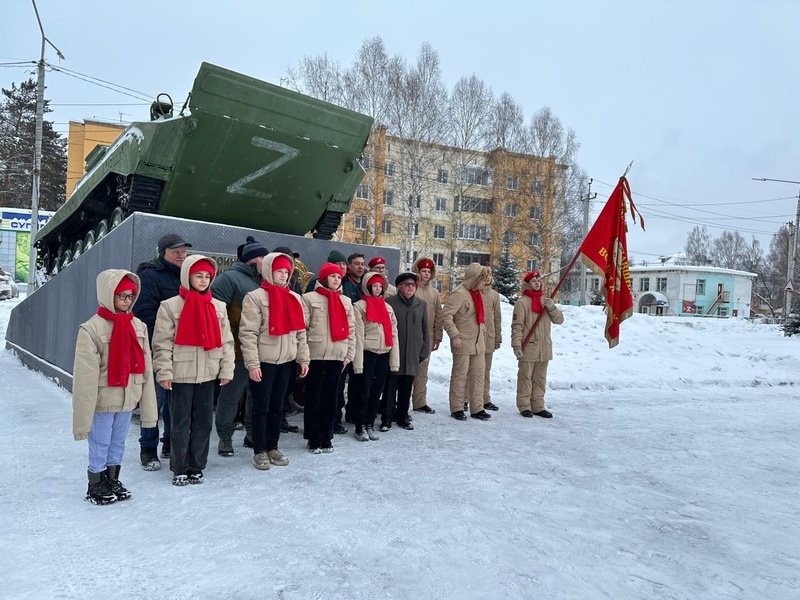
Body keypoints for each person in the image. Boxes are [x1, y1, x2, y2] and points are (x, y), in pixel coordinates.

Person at [73, 270, 158, 505]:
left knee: (118, 440)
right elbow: (85, 374)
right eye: (121, 295)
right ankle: (95, 483)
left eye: (131, 296)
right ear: (108, 294)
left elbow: (146, 367)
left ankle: (112, 479)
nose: (127, 300)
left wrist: (145, 398)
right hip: (104, 396)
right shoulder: (91, 328)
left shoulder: (138, 325)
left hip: (129, 394)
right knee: (100, 440)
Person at [152, 255, 235, 485]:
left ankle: (197, 465)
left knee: (203, 422)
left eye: (208, 276)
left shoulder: (218, 306)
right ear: (187, 275)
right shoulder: (170, 306)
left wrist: (226, 369)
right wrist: (164, 372)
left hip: (208, 373)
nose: (203, 280)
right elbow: (162, 343)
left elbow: (227, 341)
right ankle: (179, 466)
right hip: (181, 372)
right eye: (198, 275)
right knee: (180, 421)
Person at [239, 252, 310, 469]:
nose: (283, 275)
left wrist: (303, 359)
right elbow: (248, 334)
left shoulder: (294, 298)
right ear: (270, 271)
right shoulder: (255, 297)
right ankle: (259, 450)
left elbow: (300, 333)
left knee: (278, 407)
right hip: (264, 363)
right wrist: (253, 364)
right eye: (279, 270)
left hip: (286, 363)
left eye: (286, 272)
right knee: (261, 407)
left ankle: (273, 446)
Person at [134, 232, 191, 471]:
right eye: (175, 251)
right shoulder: (149, 275)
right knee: (153, 401)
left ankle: (169, 442)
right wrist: (161, 342)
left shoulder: (186, 276)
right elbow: (145, 313)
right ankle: (148, 448)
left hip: (182, 349)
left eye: (183, 251)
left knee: (174, 401)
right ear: (163, 253)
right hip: (157, 348)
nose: (181, 255)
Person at [210, 235, 269, 456]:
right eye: (264, 257)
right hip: (236, 351)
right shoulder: (229, 279)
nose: (267, 262)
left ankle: (252, 434)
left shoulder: (262, 281)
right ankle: (225, 437)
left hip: (259, 351)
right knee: (231, 396)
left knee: (256, 396)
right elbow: (217, 314)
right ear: (253, 259)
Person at [301, 262, 356, 453]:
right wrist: (303, 357)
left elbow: (351, 331)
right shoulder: (308, 298)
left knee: (330, 399)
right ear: (324, 278)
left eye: (339, 277)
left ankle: (326, 436)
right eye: (332, 276)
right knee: (313, 398)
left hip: (337, 356)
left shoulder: (346, 301)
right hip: (314, 355)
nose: (336, 279)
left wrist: (348, 355)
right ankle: (313, 437)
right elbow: (303, 329)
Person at [351, 271, 399, 441]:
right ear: (367, 286)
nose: (377, 289)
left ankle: (370, 423)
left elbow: (394, 334)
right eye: (374, 285)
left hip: (383, 353)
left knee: (376, 391)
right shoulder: (359, 306)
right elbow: (357, 335)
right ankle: (360, 426)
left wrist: (394, 360)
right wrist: (358, 362)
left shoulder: (388, 308)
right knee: (363, 390)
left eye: (380, 286)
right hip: (367, 352)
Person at [440, 262, 491, 422]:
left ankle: (477, 408)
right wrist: (455, 335)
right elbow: (446, 316)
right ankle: (457, 407)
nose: (484, 282)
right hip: (462, 342)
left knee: (478, 376)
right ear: (474, 279)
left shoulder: (478, 294)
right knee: (460, 376)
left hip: (478, 343)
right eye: (482, 279)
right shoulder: (459, 294)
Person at [511, 270, 564, 418]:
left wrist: (552, 307)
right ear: (528, 284)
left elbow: (559, 320)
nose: (537, 283)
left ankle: (538, 406)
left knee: (540, 379)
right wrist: (516, 346)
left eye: (539, 281)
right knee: (525, 378)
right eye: (534, 281)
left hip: (544, 348)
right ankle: (524, 406)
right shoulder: (522, 303)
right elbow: (517, 326)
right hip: (528, 347)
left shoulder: (546, 301)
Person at [384, 272, 429, 431]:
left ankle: (402, 417)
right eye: (407, 284)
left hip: (412, 353)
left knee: (406, 388)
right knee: (390, 388)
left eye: (413, 285)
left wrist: (424, 350)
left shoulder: (421, 304)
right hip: (395, 352)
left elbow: (425, 330)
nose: (411, 287)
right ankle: (387, 418)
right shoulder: (389, 303)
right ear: (399, 287)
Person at [411, 257, 443, 414]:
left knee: (422, 372)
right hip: (411, 338)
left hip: (427, 338)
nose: (426, 274)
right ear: (418, 272)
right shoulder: (411, 289)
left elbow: (439, 315)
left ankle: (419, 402)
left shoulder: (434, 293)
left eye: (429, 272)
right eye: (423, 271)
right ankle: (399, 402)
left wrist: (437, 337)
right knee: (408, 371)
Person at [480, 266, 503, 412]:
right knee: (472, 370)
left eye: (490, 275)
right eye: (485, 275)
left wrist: (498, 337)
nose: (488, 278)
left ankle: (485, 398)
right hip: (475, 338)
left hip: (489, 337)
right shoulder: (474, 292)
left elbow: (497, 318)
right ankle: (466, 398)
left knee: (486, 370)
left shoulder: (495, 295)